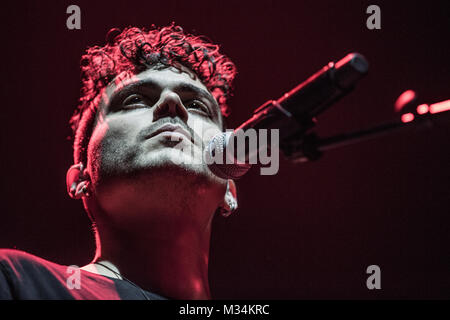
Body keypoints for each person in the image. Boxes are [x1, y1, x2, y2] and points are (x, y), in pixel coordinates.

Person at [0, 23, 239, 300]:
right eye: (135, 99)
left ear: (228, 189)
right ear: (81, 180)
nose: (172, 102)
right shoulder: (18, 281)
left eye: (197, 105)